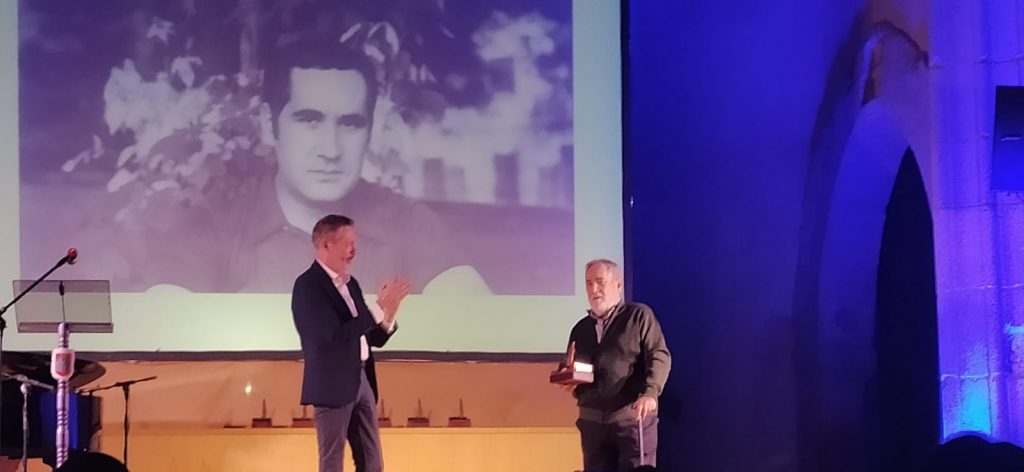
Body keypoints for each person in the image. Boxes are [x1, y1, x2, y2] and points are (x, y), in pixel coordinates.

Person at [129, 39, 489, 295]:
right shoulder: (210, 227)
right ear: (269, 124)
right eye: (309, 121)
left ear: (370, 130)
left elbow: (479, 329)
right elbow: (163, 342)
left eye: (349, 124)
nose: (331, 149)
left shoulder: (408, 224)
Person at [292, 214, 410, 472]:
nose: (354, 251)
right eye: (348, 244)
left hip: (362, 379)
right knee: (332, 462)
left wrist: (389, 313)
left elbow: (372, 338)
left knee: (372, 462)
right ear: (326, 245)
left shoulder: (351, 285)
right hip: (332, 384)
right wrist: (377, 308)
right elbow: (329, 338)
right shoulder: (307, 286)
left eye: (355, 243)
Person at [563, 259, 671, 471]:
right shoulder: (580, 329)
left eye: (600, 282)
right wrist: (569, 378)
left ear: (618, 285)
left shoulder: (638, 316)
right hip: (593, 423)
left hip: (631, 419)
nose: (594, 289)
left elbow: (659, 355)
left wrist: (651, 393)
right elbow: (577, 367)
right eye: (588, 283)